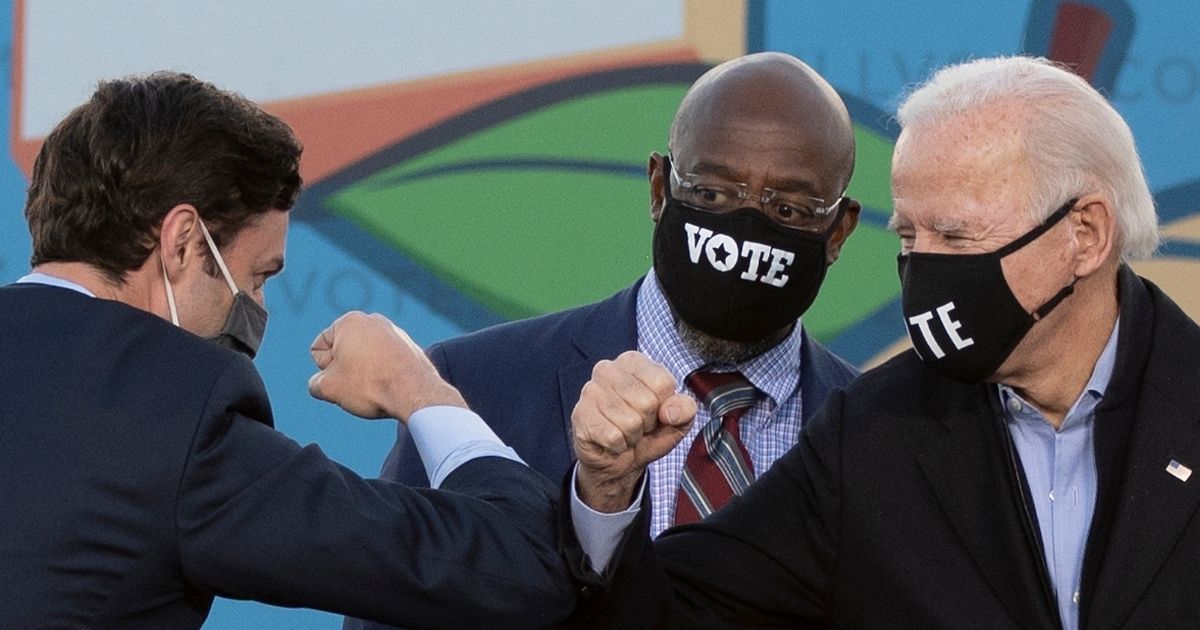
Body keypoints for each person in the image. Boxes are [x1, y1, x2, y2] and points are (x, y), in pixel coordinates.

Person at [565, 56, 1199, 629]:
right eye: (907, 238)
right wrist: (608, 493)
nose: (924, 269)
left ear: (1084, 235)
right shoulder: (870, 433)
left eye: (953, 237)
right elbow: (674, 609)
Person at [0, 71, 573, 629]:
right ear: (183, 242)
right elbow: (515, 566)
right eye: (257, 276)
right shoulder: (172, 415)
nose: (257, 308)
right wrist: (417, 385)